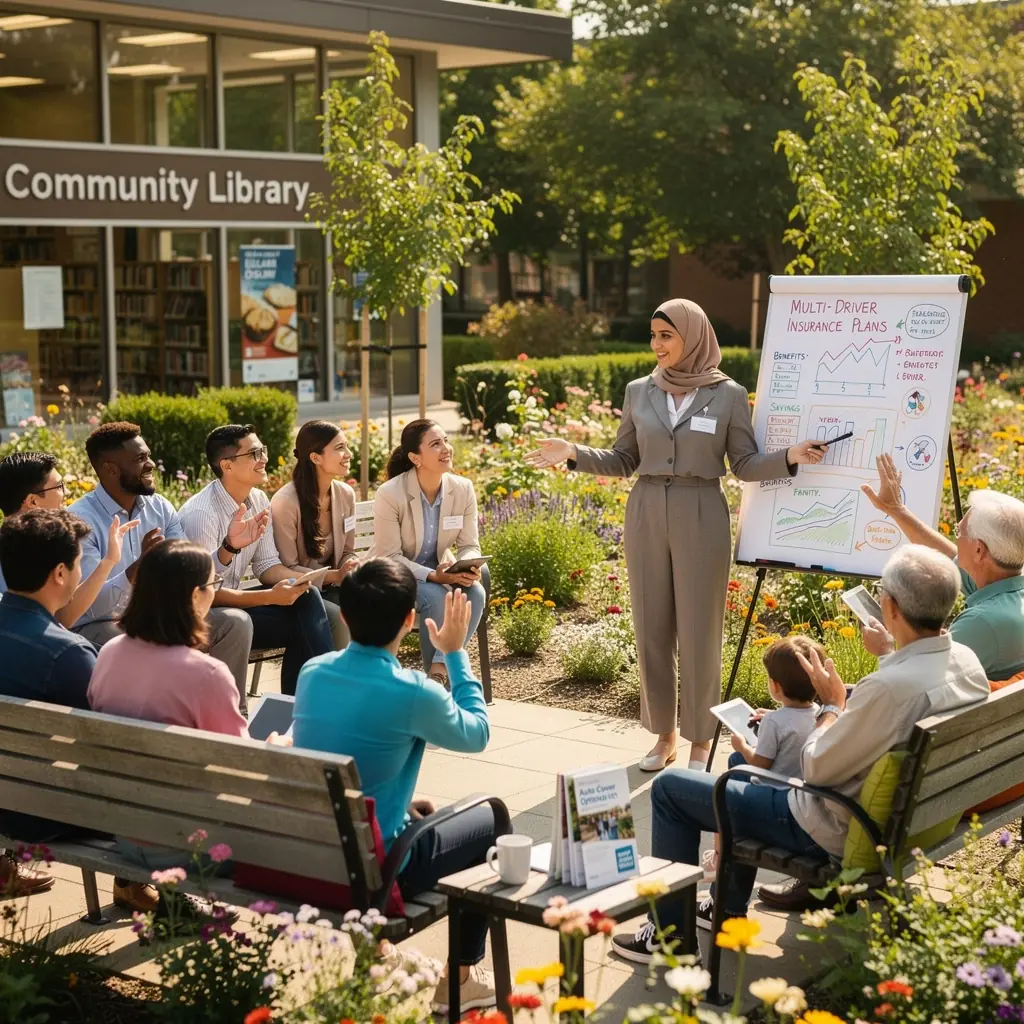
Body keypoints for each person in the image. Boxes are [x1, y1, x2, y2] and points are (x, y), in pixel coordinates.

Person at [610, 545, 989, 963]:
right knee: (740, 767)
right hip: (920, 819)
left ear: (891, 606)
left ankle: (667, 936)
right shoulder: (966, 662)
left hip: (833, 826)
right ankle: (727, 906)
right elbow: (901, 700)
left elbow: (815, 766)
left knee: (670, 789)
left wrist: (830, 706)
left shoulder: (889, 689)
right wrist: (877, 665)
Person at [525, 299, 825, 771]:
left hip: (702, 509)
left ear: (693, 336)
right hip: (645, 509)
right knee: (651, 627)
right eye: (653, 335)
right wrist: (573, 452)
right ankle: (662, 735)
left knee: (700, 632)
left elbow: (744, 464)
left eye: (666, 335)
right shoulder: (639, 390)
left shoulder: (727, 395)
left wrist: (790, 456)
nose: (657, 345)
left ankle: (700, 740)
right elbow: (624, 459)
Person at [292, 558, 496, 1014]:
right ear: (409, 619)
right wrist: (456, 653)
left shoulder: (313, 672)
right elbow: (477, 733)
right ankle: (458, 980)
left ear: (344, 615)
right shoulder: (415, 691)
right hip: (373, 875)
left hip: (310, 852)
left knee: (416, 812)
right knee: (490, 821)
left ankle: (379, 956)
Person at [0, 509, 149, 910]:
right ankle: (136, 883)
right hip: (43, 813)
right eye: (80, 563)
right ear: (60, 574)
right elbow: (110, 748)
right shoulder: (66, 652)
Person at [88, 539, 248, 872]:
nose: (214, 592)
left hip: (125, 835)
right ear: (194, 596)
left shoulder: (108, 654)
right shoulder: (208, 675)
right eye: (212, 584)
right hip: (191, 844)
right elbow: (242, 770)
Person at [68, 423, 254, 702]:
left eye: (148, 455)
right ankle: (167, 723)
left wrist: (228, 547)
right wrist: (137, 569)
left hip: (160, 617)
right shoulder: (79, 521)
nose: (151, 464)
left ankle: (229, 714)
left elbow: (190, 574)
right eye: (140, 459)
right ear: (110, 469)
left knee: (234, 624)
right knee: (143, 643)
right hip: (105, 624)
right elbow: (92, 606)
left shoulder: (160, 507)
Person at [179, 424, 334, 699]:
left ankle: (300, 708)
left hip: (234, 607)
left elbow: (266, 566)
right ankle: (310, 708)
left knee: (307, 597)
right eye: (254, 453)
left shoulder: (258, 498)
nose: (264, 459)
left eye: (263, 450)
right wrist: (270, 597)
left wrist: (299, 581)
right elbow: (204, 594)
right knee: (299, 619)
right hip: (199, 616)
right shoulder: (202, 514)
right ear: (226, 465)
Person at [862, 453, 1024, 681]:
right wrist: (896, 509)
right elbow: (949, 556)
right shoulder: (1009, 585)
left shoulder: (981, 623)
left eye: (959, 533)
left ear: (979, 551)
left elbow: (917, 680)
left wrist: (885, 651)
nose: (955, 539)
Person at [371, 419, 486, 684]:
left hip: (441, 570)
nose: (446, 448)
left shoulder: (462, 488)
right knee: (435, 596)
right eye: (435, 444)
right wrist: (434, 576)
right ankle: (438, 683)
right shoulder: (391, 493)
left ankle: (437, 674)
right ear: (415, 457)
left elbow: (469, 545)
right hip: (393, 575)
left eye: (446, 440)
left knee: (475, 592)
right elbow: (390, 556)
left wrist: (468, 565)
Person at [702, 635, 821, 881]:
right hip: (797, 785)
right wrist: (771, 716)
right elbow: (794, 723)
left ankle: (719, 854)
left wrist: (743, 745)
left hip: (773, 790)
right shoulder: (819, 713)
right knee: (736, 762)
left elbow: (759, 763)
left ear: (775, 686)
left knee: (723, 790)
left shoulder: (775, 723)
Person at [0, 451, 138, 627]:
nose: (66, 492)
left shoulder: (47, 544)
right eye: (58, 487)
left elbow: (63, 618)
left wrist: (109, 561)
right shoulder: (23, 551)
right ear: (32, 501)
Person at [271, 420, 359, 649]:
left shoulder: (346, 494)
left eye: (347, 446)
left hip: (336, 588)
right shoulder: (286, 502)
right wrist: (334, 576)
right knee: (342, 618)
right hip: (301, 594)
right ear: (315, 457)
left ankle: (370, 679)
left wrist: (350, 566)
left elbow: (348, 551)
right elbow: (287, 566)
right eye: (339, 448)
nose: (348, 454)